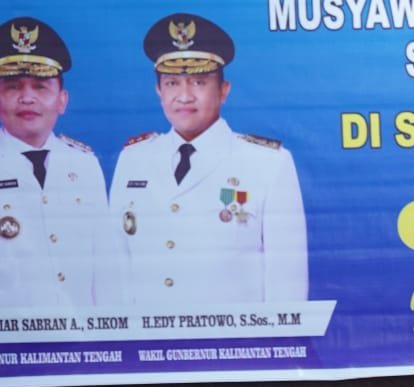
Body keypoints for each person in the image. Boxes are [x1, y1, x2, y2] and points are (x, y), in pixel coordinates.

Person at [108, 13, 307, 303]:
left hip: (235, 344)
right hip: (149, 342)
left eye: (198, 82)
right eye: (172, 83)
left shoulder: (268, 164)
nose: (184, 96)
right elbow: (116, 268)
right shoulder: (133, 159)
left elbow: (287, 281)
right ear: (158, 91)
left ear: (223, 91)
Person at [0, 16, 118, 307]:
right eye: (13, 87)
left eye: (41, 87)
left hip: (81, 335)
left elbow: (105, 264)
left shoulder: (84, 163)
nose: (27, 98)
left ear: (62, 100)